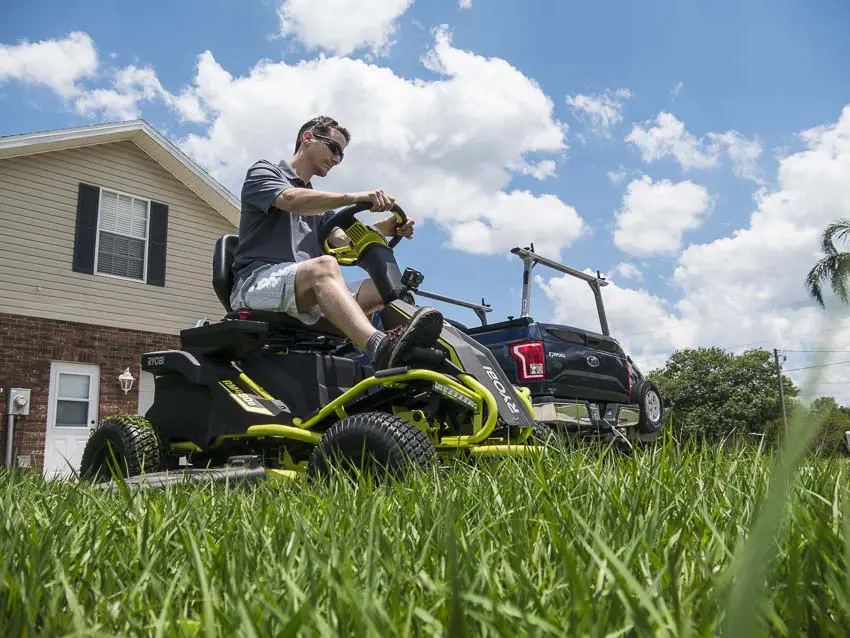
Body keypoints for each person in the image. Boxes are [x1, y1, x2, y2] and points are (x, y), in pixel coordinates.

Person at [229, 115, 444, 370]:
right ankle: (379, 348)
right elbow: (291, 201)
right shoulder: (265, 173)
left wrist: (387, 228)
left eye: (341, 155)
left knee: (387, 287)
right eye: (335, 148)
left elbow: (342, 240)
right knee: (325, 267)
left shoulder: (321, 210)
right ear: (307, 138)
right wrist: (354, 197)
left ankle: (409, 355)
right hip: (257, 283)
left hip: (303, 288)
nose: (337, 159)